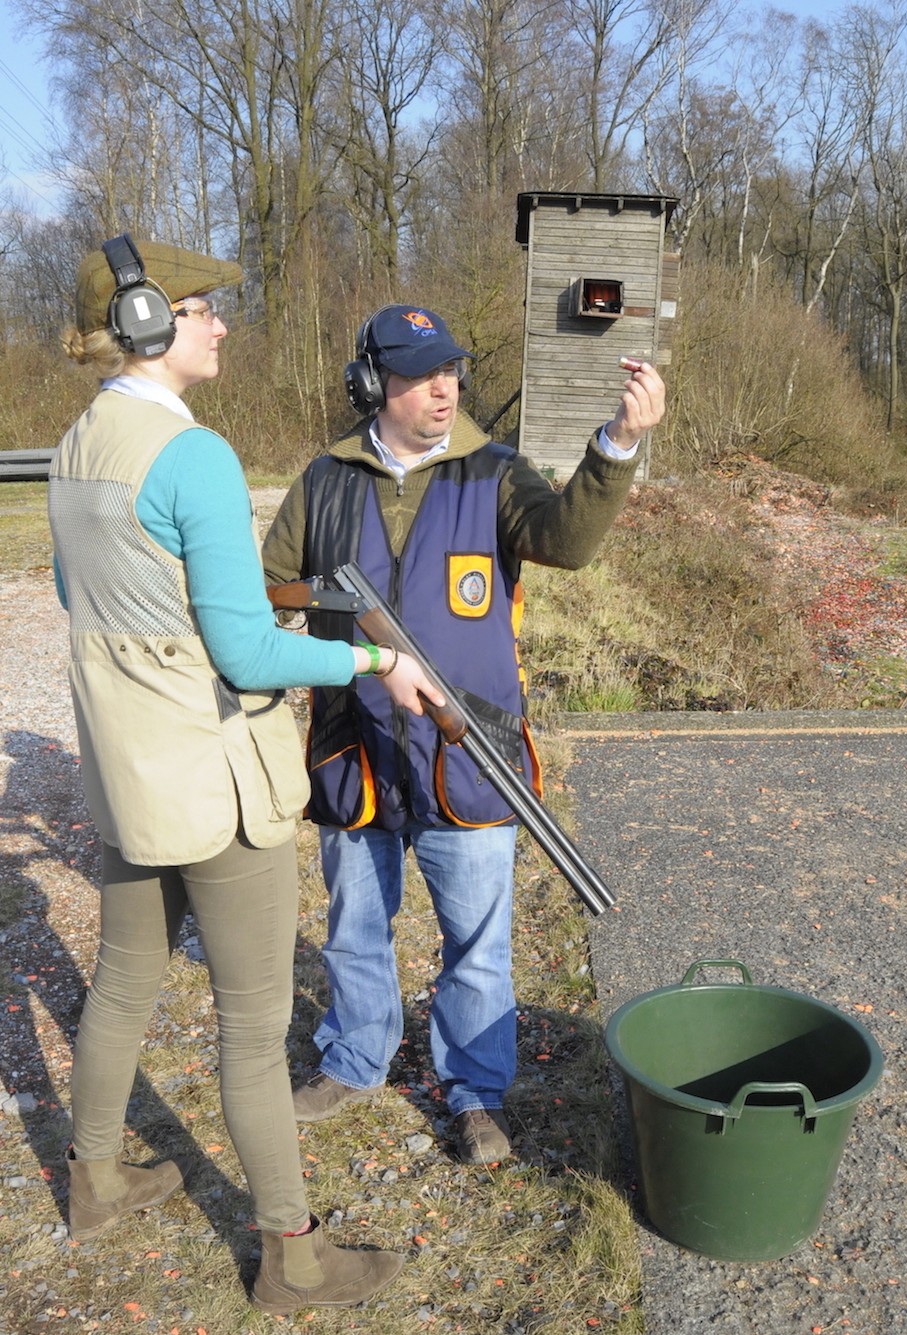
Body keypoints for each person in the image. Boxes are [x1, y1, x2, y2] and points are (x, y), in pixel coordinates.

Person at [47, 242, 442, 1314]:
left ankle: (91, 1182)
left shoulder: (78, 445)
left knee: (123, 981)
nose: (220, 324)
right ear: (141, 319)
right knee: (254, 1027)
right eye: (198, 308)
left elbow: (92, 597)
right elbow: (249, 657)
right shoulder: (195, 456)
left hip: (129, 774)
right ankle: (293, 1260)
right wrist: (375, 660)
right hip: (213, 781)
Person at [261, 303, 666, 1165]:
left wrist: (617, 445)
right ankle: (354, 1059)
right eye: (420, 373)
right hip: (356, 750)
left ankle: (475, 1091)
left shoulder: (493, 473)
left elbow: (568, 541)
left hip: (469, 752)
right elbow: (264, 589)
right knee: (354, 927)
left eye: (451, 370)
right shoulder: (324, 480)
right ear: (374, 384)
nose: (444, 388)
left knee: (479, 944)